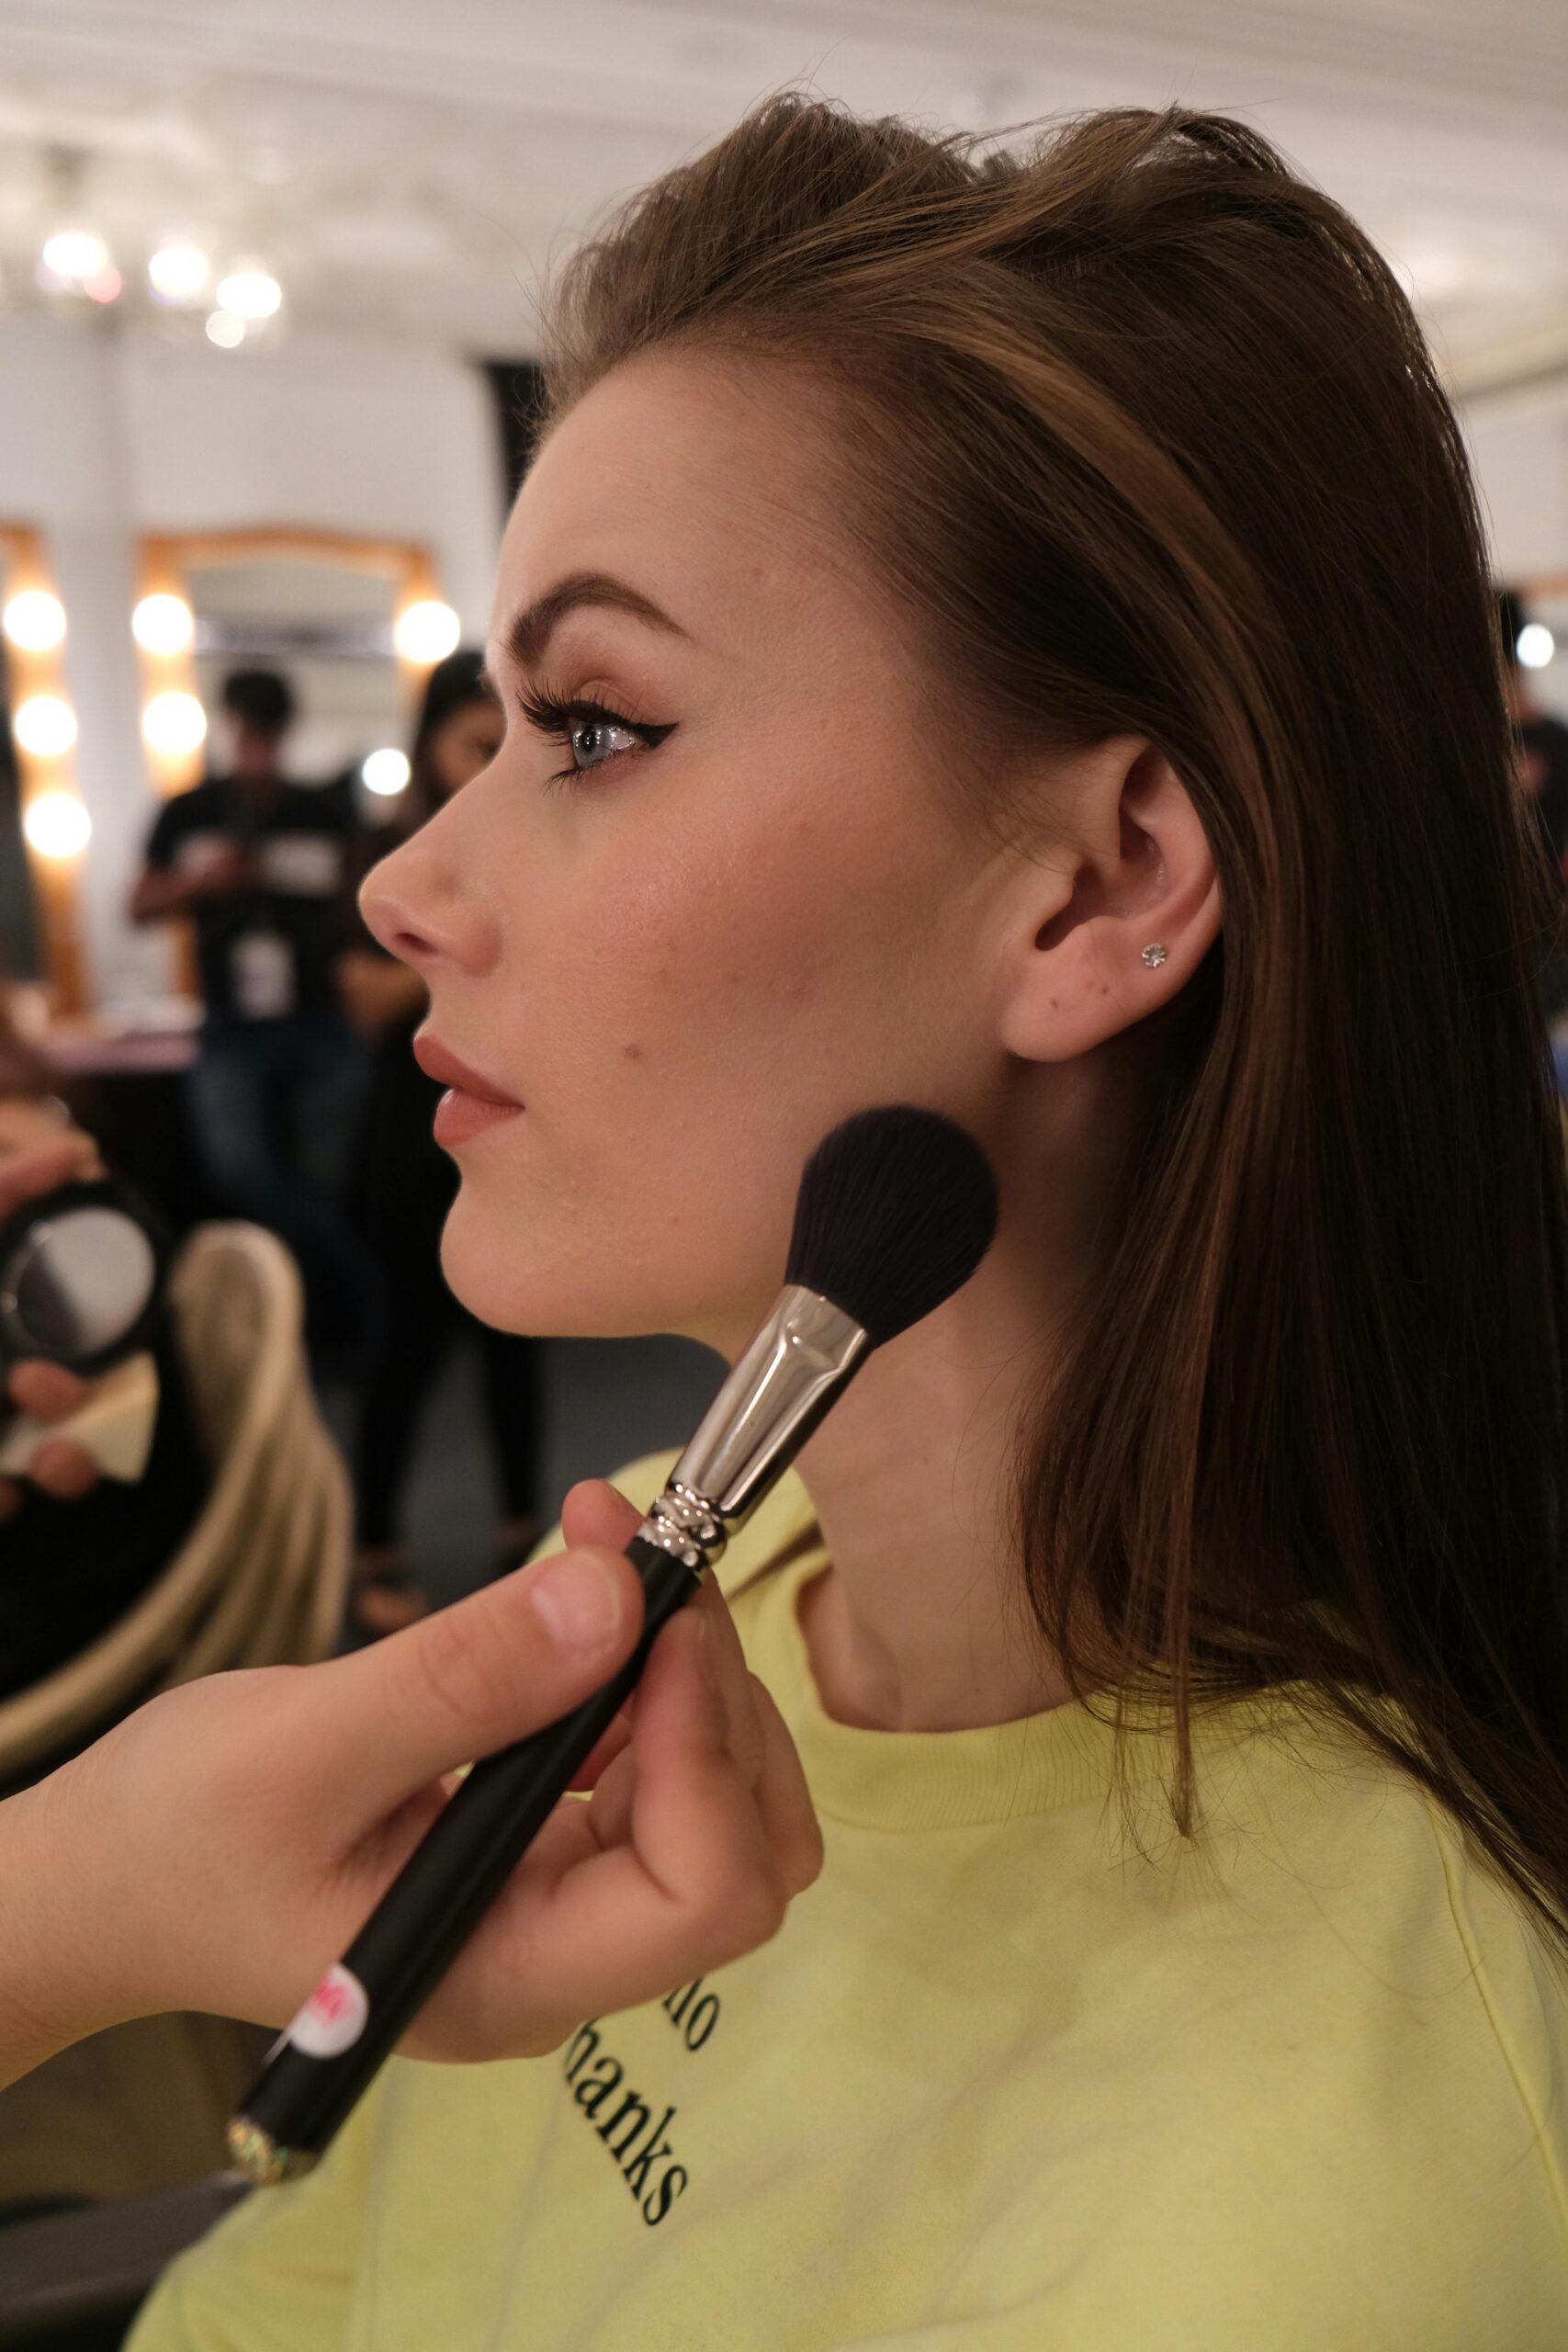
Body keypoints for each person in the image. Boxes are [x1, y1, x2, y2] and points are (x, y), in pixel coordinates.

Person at [131, 99, 1568, 2346]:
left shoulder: (1322, 2209)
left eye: (592, 726)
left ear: (1095, 887)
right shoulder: (665, 1591)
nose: (410, 886)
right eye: (496, 729)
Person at [335, 652, 547, 1633]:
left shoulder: (537, 842)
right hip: (411, 1137)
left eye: (513, 742)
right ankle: (374, 1543)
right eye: (476, 743)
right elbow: (367, 997)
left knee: (518, 1348)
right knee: (403, 1354)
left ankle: (522, 1534)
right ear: (427, 744)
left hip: (514, 1122)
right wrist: (495, 956)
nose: (496, 763)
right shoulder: (389, 851)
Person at [129, 669, 375, 1364]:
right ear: (228, 726)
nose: (254, 745)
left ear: (284, 732)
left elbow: (365, 900)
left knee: (323, 1182)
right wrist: (203, 882)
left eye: (265, 731)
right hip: (233, 1026)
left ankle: (310, 1342)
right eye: (245, 729)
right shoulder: (189, 810)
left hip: (320, 1020)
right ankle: (366, 1295)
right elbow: (138, 905)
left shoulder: (322, 810)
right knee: (240, 1171)